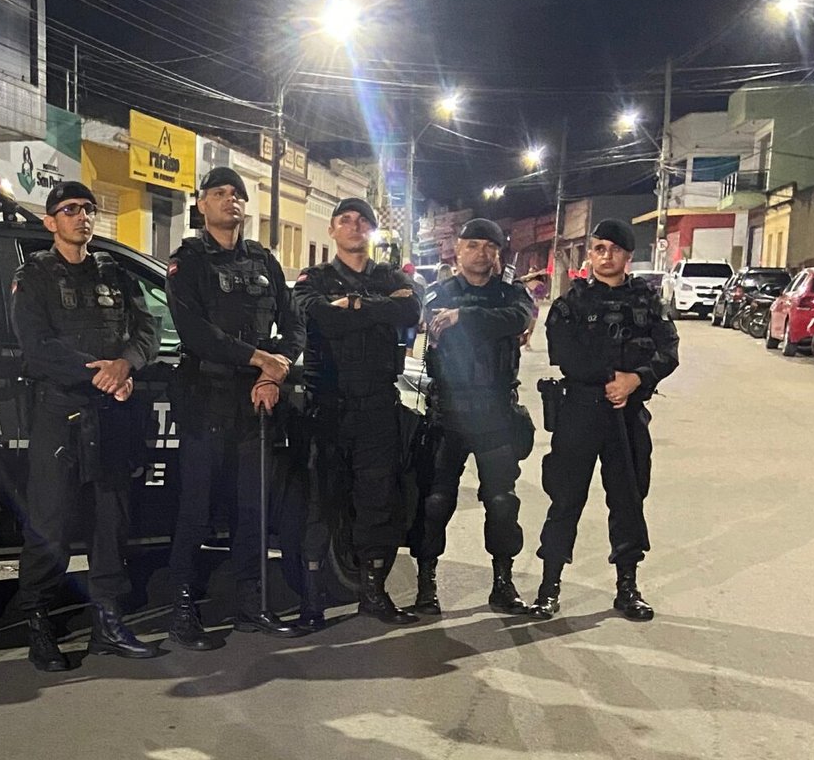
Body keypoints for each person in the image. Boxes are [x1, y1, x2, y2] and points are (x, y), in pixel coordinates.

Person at [11, 178, 163, 670]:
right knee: (50, 525)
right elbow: (37, 345)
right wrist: (101, 373)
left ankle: (108, 625)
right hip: (61, 415)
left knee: (109, 524)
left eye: (88, 208)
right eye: (71, 209)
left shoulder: (113, 271)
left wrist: (127, 365)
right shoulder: (34, 275)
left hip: (112, 416)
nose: (82, 216)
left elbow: (148, 329)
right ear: (50, 221)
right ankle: (39, 625)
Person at [165, 165, 309, 646]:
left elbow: (295, 323)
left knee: (252, 509)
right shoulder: (188, 262)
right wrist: (258, 358)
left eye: (238, 194)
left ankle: (251, 604)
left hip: (255, 402)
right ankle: (182, 609)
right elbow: (196, 333)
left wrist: (275, 370)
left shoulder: (264, 261)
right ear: (202, 204)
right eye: (220, 192)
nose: (232, 200)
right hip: (205, 401)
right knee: (196, 510)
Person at [532, 217, 680, 622]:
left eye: (614, 249)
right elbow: (565, 354)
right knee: (565, 499)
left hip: (627, 415)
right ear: (590, 254)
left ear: (628, 255)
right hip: (579, 412)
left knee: (628, 499)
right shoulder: (571, 303)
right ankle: (548, 586)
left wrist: (636, 379)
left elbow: (668, 350)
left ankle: (627, 587)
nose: (606, 256)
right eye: (599, 248)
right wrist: (610, 380)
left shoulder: (648, 301)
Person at [295, 196, 422, 623]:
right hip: (326, 409)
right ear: (332, 229)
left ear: (371, 230)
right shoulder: (314, 278)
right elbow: (317, 317)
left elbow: (410, 309)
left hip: (376, 408)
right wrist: (377, 311)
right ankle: (311, 600)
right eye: (345, 220)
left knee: (377, 501)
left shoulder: (389, 277)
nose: (354, 226)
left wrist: (354, 306)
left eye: (362, 221)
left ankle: (373, 593)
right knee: (319, 500)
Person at [410, 216, 538, 616]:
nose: (481, 253)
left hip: (495, 414)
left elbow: (520, 317)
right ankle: (426, 582)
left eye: (489, 247)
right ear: (457, 250)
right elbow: (434, 318)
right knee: (435, 502)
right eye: (473, 245)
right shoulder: (438, 292)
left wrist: (464, 316)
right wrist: (478, 319)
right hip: (448, 414)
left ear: (498, 254)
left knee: (502, 503)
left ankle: (503, 583)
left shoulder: (511, 294)